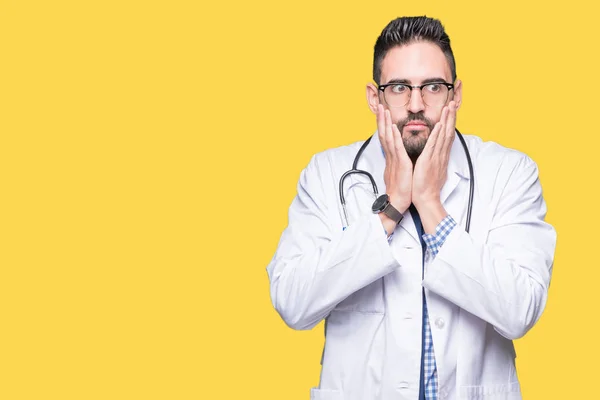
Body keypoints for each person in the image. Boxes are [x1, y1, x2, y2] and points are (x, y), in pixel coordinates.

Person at [266, 16, 556, 400]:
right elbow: (293, 302)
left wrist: (431, 206)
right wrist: (392, 208)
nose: (416, 105)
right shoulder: (326, 174)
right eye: (400, 87)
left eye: (433, 87)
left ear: (455, 95)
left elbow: (520, 310)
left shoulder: (509, 172)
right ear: (375, 97)